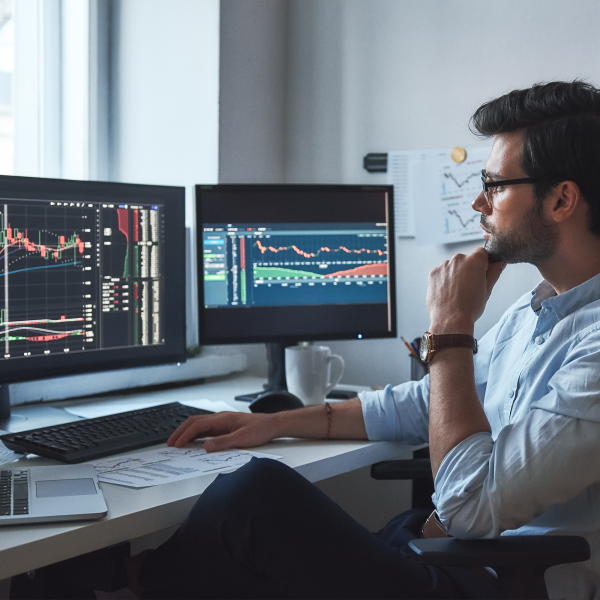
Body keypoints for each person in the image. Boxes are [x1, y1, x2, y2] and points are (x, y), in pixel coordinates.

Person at [128, 81, 600, 599]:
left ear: (562, 199)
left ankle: (127, 585)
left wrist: (450, 329)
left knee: (256, 496)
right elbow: (425, 404)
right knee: (249, 550)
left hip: (497, 582)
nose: (477, 202)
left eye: (494, 184)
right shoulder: (536, 307)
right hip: (442, 553)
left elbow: (468, 507)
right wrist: (272, 423)